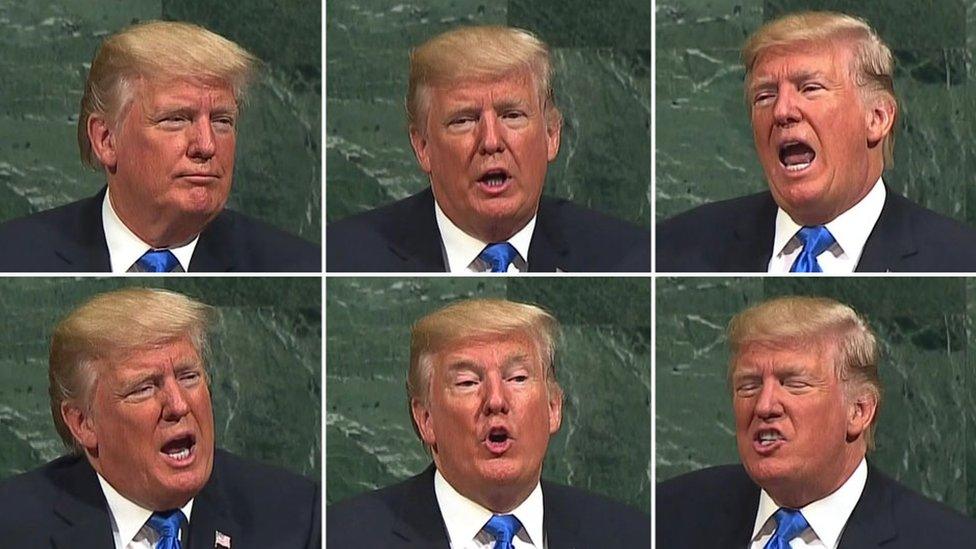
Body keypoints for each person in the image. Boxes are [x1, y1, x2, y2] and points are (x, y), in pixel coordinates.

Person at [657, 11, 976, 272]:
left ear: (877, 118)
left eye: (810, 88)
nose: (782, 111)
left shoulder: (960, 257)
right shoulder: (676, 247)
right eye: (765, 95)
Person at [0, 288, 320, 547]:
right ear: (84, 423)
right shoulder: (13, 527)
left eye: (189, 376)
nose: (178, 405)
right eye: (144, 388)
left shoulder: (294, 516)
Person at [657, 296, 976, 548]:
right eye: (749, 385)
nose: (764, 406)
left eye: (794, 383)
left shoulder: (947, 541)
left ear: (859, 411)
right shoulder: (670, 515)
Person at [0, 21, 319, 272]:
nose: (206, 146)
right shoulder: (14, 255)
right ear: (106, 140)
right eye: (177, 119)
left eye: (222, 121)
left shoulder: (296, 265)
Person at [327, 26, 650, 273]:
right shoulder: (341, 258)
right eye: (464, 120)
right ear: (422, 146)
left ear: (552, 134)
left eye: (512, 115)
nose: (491, 141)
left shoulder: (626, 258)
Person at [327, 299, 649, 546]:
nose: (496, 400)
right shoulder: (342, 538)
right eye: (468, 382)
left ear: (553, 407)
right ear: (425, 419)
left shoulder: (630, 536)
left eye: (518, 377)